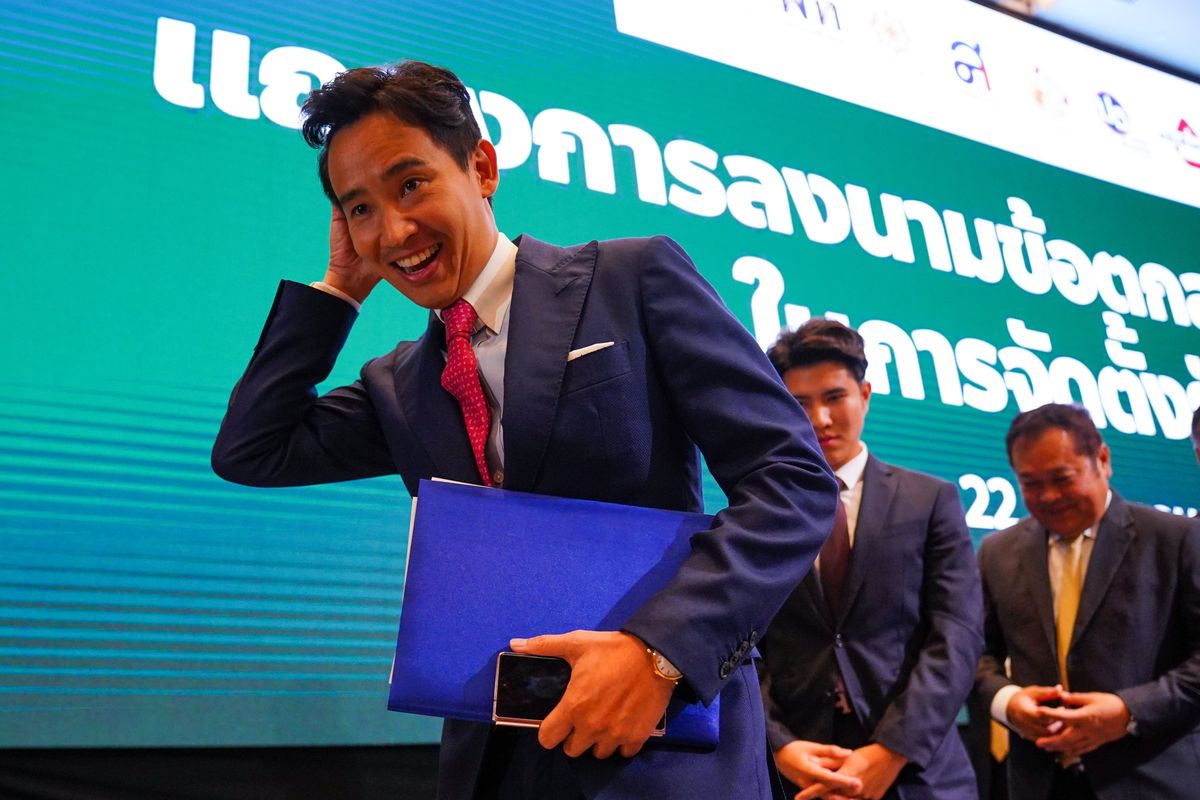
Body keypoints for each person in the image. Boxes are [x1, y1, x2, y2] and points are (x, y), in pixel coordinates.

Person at [211, 60, 837, 800]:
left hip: (657, 747)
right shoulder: (400, 384)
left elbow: (793, 482)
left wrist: (660, 652)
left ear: (480, 166)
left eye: (410, 185)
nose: (395, 229)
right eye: (360, 208)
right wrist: (340, 288)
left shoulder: (630, 280)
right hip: (496, 767)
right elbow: (254, 449)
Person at [758, 318, 983, 800]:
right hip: (799, 772)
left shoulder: (931, 499)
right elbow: (742, 645)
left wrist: (892, 750)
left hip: (919, 771)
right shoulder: (762, 509)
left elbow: (957, 634)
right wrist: (778, 745)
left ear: (865, 393)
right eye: (800, 403)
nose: (819, 419)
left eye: (834, 397)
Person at [975, 403, 1200, 800]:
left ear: (1103, 459)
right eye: (1030, 483)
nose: (1049, 496)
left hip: (1152, 781)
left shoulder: (1177, 540)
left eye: (1062, 478)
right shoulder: (996, 552)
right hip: (1038, 784)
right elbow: (972, 653)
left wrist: (1127, 712)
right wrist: (1008, 702)